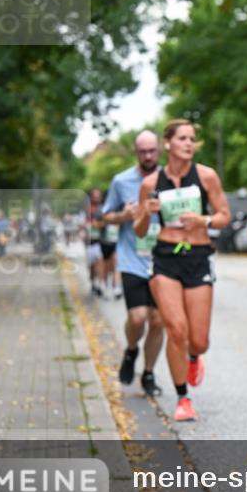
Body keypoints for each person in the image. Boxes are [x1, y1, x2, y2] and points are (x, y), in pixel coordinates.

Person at [134, 119, 230, 422]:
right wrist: (146, 214)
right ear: (168, 144)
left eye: (192, 139)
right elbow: (139, 231)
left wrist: (204, 221)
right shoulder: (151, 184)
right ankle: (183, 397)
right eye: (182, 138)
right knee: (176, 329)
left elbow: (224, 216)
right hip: (165, 257)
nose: (189, 143)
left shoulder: (206, 176)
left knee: (198, 339)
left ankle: (194, 356)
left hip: (198, 256)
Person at [102, 130, 165, 397]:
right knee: (138, 318)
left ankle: (148, 373)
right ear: (135, 152)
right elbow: (106, 216)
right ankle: (131, 349)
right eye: (143, 151)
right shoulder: (121, 181)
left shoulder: (169, 179)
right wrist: (124, 215)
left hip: (163, 259)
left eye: (152, 150)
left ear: (159, 150)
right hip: (132, 259)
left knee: (158, 321)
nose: (148, 156)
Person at [100, 194, 122, 299]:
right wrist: (106, 222)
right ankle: (104, 283)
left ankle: (116, 286)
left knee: (116, 262)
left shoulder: (121, 208)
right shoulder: (103, 210)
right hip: (105, 242)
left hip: (117, 243)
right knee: (106, 266)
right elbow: (96, 224)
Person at [84, 188, 106, 296]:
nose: (96, 198)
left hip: (100, 242)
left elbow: (107, 222)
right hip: (89, 242)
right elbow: (81, 222)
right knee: (92, 266)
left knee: (100, 261)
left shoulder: (103, 209)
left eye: (98, 195)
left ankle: (100, 284)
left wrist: (99, 225)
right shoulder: (86, 209)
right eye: (94, 195)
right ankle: (93, 283)